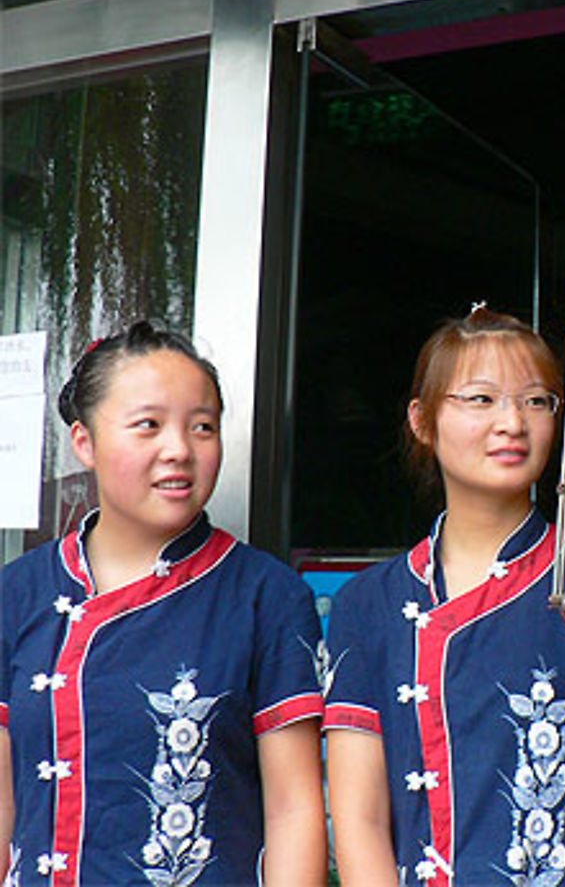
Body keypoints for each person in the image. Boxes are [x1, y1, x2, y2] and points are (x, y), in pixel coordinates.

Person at [323, 305, 565, 886]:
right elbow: (359, 819)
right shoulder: (364, 606)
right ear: (422, 421)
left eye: (536, 400)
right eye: (481, 399)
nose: (513, 422)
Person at [0, 321, 327, 886]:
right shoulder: (19, 591)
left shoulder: (265, 596)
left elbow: (294, 811)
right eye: (148, 426)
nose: (179, 449)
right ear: (85, 442)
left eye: (203, 427)